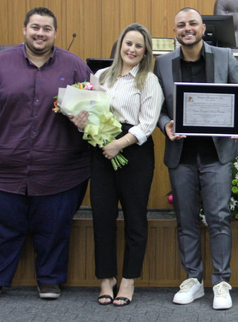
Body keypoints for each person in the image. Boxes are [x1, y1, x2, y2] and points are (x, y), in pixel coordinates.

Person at [0, 7, 91, 303]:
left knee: (54, 228)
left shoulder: (75, 67)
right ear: (24, 30)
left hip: (60, 168)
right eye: (35, 27)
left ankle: (49, 279)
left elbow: (95, 111)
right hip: (1, 167)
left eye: (46, 28)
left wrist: (87, 120)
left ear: (55, 33)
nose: (40, 33)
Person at [153, 8, 238, 310]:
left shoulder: (224, 57)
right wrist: (165, 123)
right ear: (175, 31)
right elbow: (156, 105)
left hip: (216, 154)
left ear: (203, 27)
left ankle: (221, 282)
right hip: (181, 155)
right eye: (180, 25)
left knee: (219, 218)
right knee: (186, 220)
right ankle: (193, 279)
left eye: (192, 23)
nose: (187, 29)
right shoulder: (163, 63)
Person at [69, 24, 164, 306]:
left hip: (133, 152)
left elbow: (147, 124)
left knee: (135, 219)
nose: (132, 49)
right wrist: (81, 122)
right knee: (103, 217)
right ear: (119, 44)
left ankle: (128, 280)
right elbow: (90, 111)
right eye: (128, 43)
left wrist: (118, 144)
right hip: (99, 150)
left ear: (145, 51)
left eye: (138, 45)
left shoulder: (149, 81)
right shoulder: (100, 76)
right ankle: (106, 278)